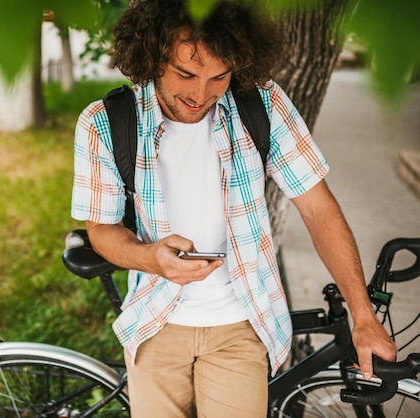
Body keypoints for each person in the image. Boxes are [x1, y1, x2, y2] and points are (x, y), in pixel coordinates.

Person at [70, 0, 397, 416]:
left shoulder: (262, 105)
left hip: (240, 326)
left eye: (219, 76)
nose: (200, 94)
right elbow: (102, 230)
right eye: (185, 73)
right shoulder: (104, 123)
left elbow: (319, 210)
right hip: (154, 324)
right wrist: (149, 258)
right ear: (151, 56)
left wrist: (364, 316)